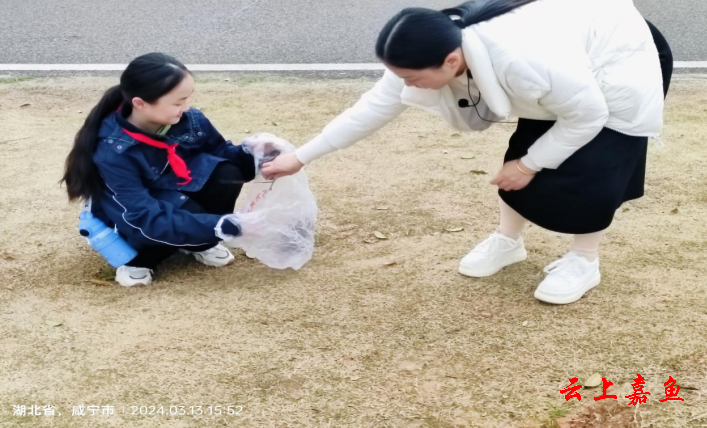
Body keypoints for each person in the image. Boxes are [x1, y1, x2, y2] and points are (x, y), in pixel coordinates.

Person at [261, 0, 673, 304]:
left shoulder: (525, 60)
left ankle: (585, 260)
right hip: (568, 64)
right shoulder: (428, 52)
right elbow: (372, 108)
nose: (406, 84)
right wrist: (301, 157)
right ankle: (508, 241)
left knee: (596, 172)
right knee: (520, 154)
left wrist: (530, 165)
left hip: (619, 65)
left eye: (411, 78)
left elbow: (588, 115)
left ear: (451, 60)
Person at [61, 53, 258, 287]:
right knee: (176, 211)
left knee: (226, 173)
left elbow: (222, 154)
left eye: (187, 99)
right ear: (140, 103)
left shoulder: (190, 119)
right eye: (177, 102)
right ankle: (140, 261)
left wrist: (255, 152)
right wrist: (223, 226)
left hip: (173, 194)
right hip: (137, 219)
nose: (186, 107)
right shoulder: (113, 151)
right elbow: (143, 216)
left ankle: (201, 242)